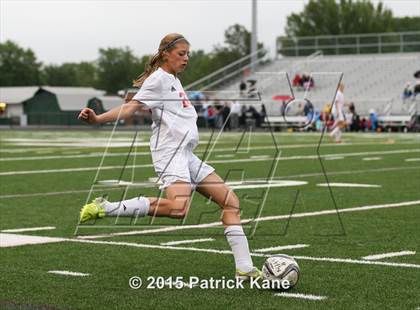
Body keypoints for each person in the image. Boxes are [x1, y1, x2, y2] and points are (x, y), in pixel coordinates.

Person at [77, 33, 261, 279]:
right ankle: (107, 208)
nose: (186, 59)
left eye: (188, 55)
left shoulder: (173, 79)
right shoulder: (159, 79)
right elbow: (131, 107)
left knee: (230, 202)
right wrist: (98, 119)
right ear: (166, 53)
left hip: (185, 153)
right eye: (181, 54)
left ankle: (245, 270)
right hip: (170, 152)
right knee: (178, 208)